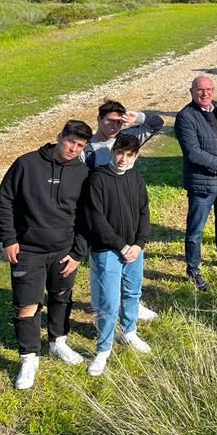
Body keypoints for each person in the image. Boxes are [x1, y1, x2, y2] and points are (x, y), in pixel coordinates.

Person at [0, 119, 93, 390]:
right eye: (70, 141)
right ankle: (29, 358)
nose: (73, 148)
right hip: (27, 250)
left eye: (80, 145)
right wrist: (8, 239)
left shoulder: (82, 172)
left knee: (61, 296)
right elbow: (4, 201)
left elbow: (87, 217)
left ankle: (58, 342)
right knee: (27, 305)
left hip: (64, 250)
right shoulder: (26, 164)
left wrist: (78, 252)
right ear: (59, 136)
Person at [81, 100, 162, 322]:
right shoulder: (87, 148)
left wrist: (139, 117)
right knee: (100, 268)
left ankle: (132, 305)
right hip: (99, 213)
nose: (115, 126)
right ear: (99, 119)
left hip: (127, 208)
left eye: (119, 122)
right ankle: (101, 309)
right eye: (110, 121)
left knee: (129, 269)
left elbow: (157, 123)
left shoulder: (127, 139)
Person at [83, 133, 152, 376]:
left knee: (132, 293)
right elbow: (96, 219)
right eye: (120, 153)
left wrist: (139, 244)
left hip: (134, 250)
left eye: (129, 155)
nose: (123, 159)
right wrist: (121, 246)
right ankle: (103, 348)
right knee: (109, 302)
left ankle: (129, 331)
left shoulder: (135, 178)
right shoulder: (98, 178)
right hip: (107, 250)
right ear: (112, 152)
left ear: (136, 156)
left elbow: (144, 212)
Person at [174, 75, 217, 292]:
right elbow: (193, 152)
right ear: (192, 92)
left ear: (213, 90)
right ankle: (193, 269)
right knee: (196, 230)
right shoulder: (185, 117)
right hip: (202, 183)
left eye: (209, 89)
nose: (205, 93)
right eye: (200, 90)